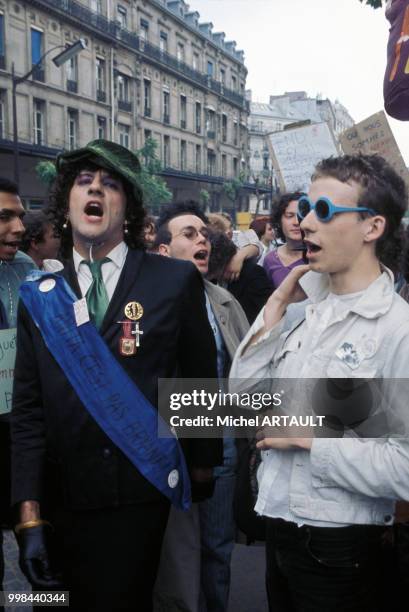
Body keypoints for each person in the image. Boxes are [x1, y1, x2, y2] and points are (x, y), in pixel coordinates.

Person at [10, 141, 221, 612]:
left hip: (138, 494)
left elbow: (199, 379)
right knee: (49, 602)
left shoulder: (173, 279)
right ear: (66, 206)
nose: (96, 191)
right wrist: (28, 517)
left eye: (110, 185)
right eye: (85, 183)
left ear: (127, 206)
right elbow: (28, 411)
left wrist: (203, 464)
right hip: (61, 499)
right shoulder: (41, 294)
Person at [230, 154, 409, 612]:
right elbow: (244, 403)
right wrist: (271, 315)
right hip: (279, 528)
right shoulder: (300, 310)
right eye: (306, 207)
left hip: (342, 549)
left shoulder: (398, 330)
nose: (305, 223)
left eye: (324, 210)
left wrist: (312, 440)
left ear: (372, 228)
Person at [154, 201, 249, 612]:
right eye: (188, 235)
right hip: (163, 445)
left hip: (220, 442)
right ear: (162, 250)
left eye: (204, 235)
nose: (201, 241)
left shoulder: (225, 303)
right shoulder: (145, 304)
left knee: (216, 547)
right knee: (172, 552)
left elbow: (248, 368)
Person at [0, 177, 35, 612]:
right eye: (4, 217)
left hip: (21, 431)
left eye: (20, 216)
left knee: (37, 554)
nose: (18, 227)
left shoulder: (28, 269)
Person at [208, 230, 272, 325]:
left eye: (219, 273)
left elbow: (270, 312)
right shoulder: (212, 278)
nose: (216, 276)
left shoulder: (252, 275)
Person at [263, 192, 306, 289]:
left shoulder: (320, 256)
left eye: (301, 215)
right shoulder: (270, 260)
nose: (296, 222)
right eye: (289, 216)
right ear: (279, 221)